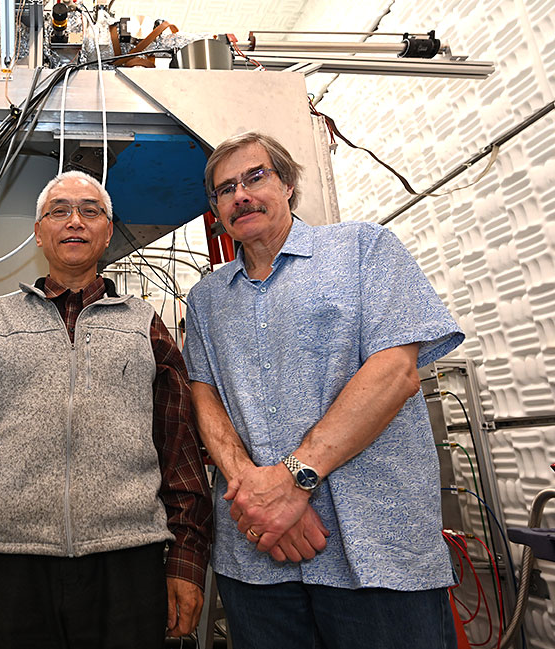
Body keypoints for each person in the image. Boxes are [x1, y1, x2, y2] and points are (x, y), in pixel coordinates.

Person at [182, 131, 464, 648]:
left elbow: (395, 372)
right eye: (225, 190)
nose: (240, 195)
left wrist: (292, 481)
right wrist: (256, 492)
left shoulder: (363, 249)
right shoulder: (205, 300)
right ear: (217, 211)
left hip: (376, 551)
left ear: (288, 184)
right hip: (259, 553)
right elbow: (204, 395)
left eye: (255, 177)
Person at [0, 170, 212, 648]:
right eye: (59, 211)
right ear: (39, 232)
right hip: (14, 561)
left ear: (108, 230)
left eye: (90, 211)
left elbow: (180, 449)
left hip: (129, 559)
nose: (75, 221)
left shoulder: (144, 325)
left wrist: (187, 562)